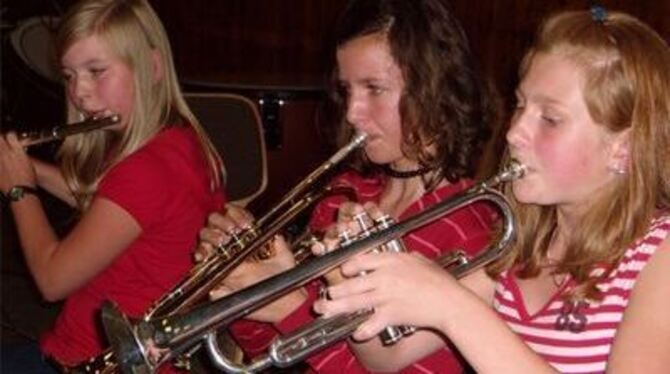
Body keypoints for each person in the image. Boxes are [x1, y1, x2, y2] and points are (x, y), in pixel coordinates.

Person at [315, 7, 670, 373]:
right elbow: (386, 357)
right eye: (520, 105)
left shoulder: (659, 253)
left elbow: (454, 313)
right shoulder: (518, 251)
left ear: (622, 149)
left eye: (550, 118)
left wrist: (453, 307)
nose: (514, 133)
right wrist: (352, 277)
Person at [196, 0, 501, 372]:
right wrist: (246, 290)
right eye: (347, 90)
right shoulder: (344, 194)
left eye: (374, 88)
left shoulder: (469, 231)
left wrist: (290, 306)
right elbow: (273, 352)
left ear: (433, 90)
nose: (353, 112)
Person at [0, 0, 225, 371]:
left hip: (90, 361)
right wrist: (31, 170)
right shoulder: (179, 142)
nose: (80, 92)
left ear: (151, 67)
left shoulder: (146, 170)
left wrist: (19, 191)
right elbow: (110, 207)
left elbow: (52, 279)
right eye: (69, 75)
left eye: (96, 71)